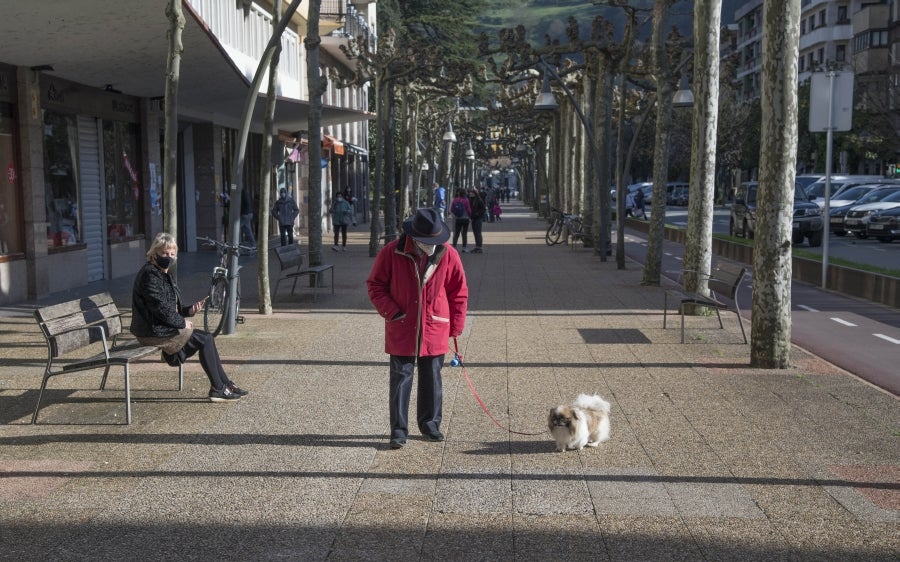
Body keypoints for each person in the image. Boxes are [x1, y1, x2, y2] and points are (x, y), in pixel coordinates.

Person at [366, 208, 468, 449]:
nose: (431, 246)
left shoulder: (449, 254)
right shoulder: (391, 252)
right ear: (414, 236)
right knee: (401, 380)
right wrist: (393, 312)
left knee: (432, 379)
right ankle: (398, 430)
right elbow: (375, 285)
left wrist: (456, 325)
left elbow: (458, 291)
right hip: (402, 326)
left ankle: (430, 425)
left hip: (435, 327)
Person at [130, 232, 248, 402]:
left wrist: (188, 311)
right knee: (205, 339)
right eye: (164, 253)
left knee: (206, 338)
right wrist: (182, 322)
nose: (168, 257)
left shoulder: (163, 274)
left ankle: (225, 384)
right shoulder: (150, 275)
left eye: (172, 254)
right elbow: (159, 309)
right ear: (154, 253)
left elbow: (169, 307)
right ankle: (218, 387)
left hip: (160, 327)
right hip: (151, 332)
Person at [468, 188, 486, 254]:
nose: (470, 194)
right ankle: (477, 246)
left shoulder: (479, 200)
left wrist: (477, 214)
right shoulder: (470, 200)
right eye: (470, 193)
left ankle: (480, 247)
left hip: (478, 218)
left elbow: (483, 209)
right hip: (473, 218)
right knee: (475, 233)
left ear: (475, 194)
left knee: (478, 233)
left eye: (471, 193)